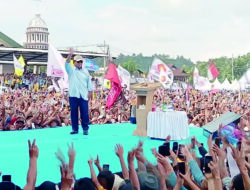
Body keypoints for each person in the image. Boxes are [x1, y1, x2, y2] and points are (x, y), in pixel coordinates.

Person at [65, 48, 92, 135]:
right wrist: (70, 54)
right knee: (74, 113)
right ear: (74, 62)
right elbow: (66, 63)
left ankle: (85, 129)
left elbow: (89, 82)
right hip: (73, 95)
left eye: (81, 61)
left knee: (84, 112)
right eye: (78, 61)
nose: (80, 63)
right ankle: (75, 129)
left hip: (83, 95)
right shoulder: (71, 70)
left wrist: (90, 91)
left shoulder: (85, 71)